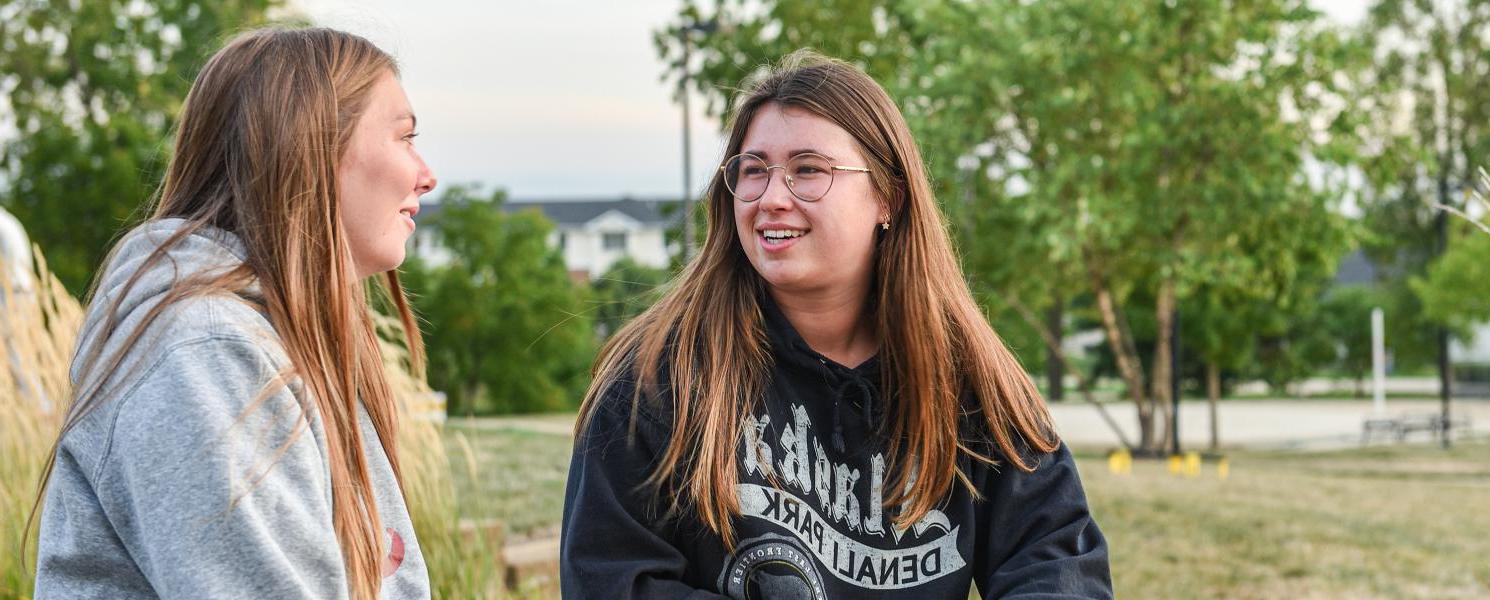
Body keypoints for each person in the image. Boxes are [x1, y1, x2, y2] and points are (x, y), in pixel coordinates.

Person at [561, 51, 1112, 599]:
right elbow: (612, 579)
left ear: (887, 197)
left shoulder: (969, 380)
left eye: (808, 170)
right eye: (754, 170)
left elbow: (1059, 568)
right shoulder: (659, 378)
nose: (772, 198)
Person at [32, 27, 437, 599]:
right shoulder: (201, 350)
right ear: (313, 148)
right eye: (405, 137)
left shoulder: (275, 338)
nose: (426, 172)